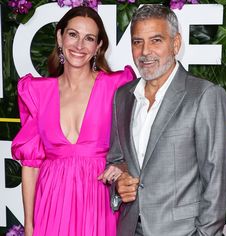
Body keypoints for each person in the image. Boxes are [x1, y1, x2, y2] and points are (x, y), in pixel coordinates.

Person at [100, 4, 226, 236]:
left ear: (176, 43)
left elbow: (216, 180)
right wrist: (118, 186)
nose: (144, 52)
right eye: (137, 41)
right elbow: (117, 160)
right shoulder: (123, 97)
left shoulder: (204, 95)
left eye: (156, 40)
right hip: (130, 229)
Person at [11, 6, 135, 236]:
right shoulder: (37, 92)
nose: (79, 46)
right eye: (73, 34)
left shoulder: (115, 87)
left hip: (98, 201)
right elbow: (30, 165)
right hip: (51, 203)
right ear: (60, 37)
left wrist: (122, 166)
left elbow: (135, 144)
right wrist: (29, 226)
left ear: (98, 47)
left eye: (89, 38)